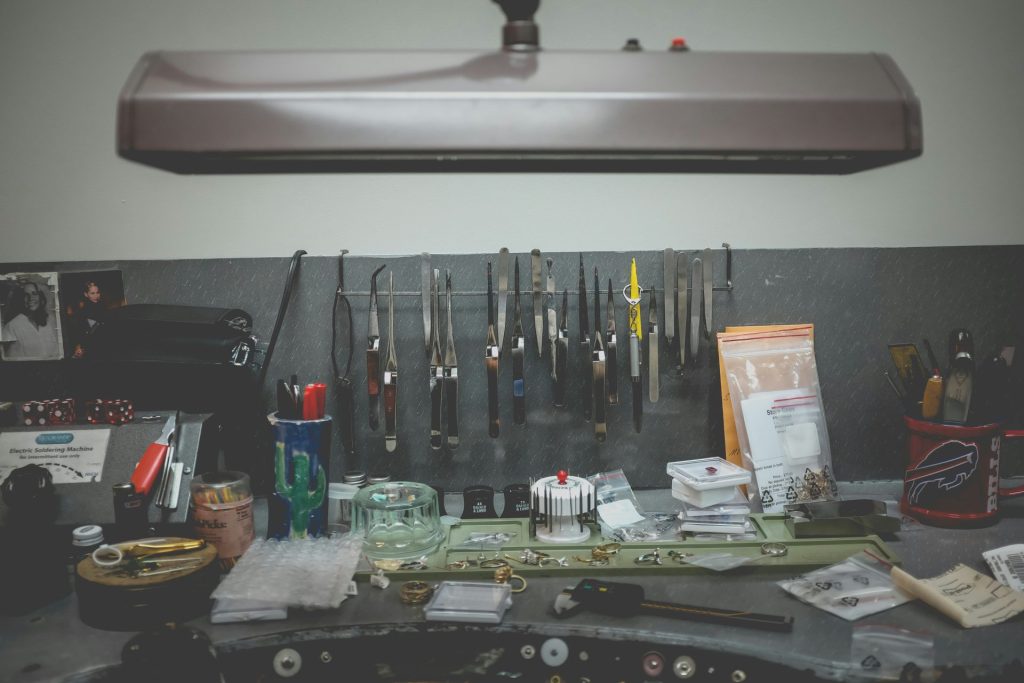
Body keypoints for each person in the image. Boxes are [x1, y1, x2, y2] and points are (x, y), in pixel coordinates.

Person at [1, 281, 60, 360]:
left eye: (34, 293)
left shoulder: (49, 320)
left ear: (40, 296)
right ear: (20, 299)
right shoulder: (12, 326)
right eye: (26, 295)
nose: (31, 298)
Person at [70, 281, 106, 359]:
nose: (96, 295)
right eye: (92, 293)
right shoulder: (85, 310)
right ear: (86, 294)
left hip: (103, 343)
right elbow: (82, 330)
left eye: (97, 292)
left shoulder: (102, 306)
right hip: (92, 345)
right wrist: (79, 346)